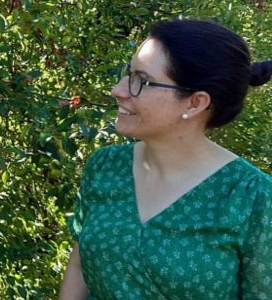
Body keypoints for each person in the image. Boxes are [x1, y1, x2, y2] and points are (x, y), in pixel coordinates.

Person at [58, 19, 272, 300]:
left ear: (195, 103)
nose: (118, 90)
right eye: (128, 74)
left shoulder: (252, 198)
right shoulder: (105, 167)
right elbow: (78, 266)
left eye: (141, 81)